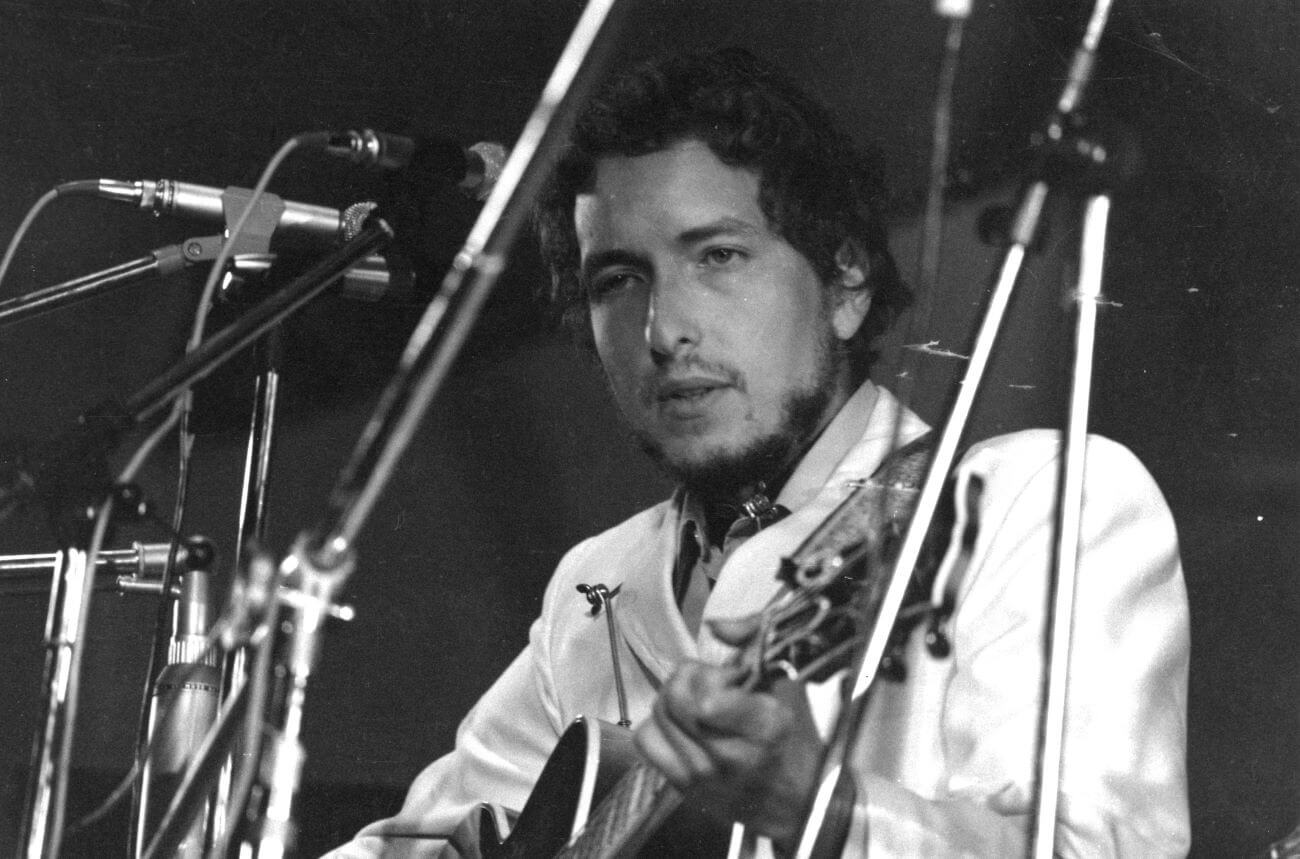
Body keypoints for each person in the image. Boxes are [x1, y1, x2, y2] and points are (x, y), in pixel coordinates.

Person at [326, 48, 1189, 857]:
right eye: (618, 280)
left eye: (720, 256)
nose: (666, 330)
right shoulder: (598, 583)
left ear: (846, 283)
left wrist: (826, 807)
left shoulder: (1031, 497)